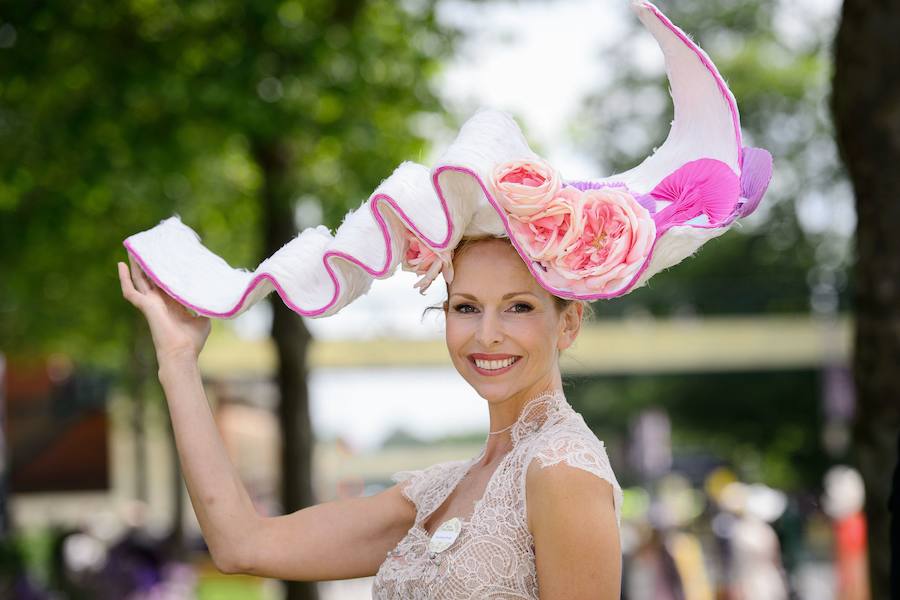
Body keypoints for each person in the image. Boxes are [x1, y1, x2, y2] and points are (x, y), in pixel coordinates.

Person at [118, 3, 772, 597]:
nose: (487, 333)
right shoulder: (438, 489)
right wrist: (178, 359)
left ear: (568, 321)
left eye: (518, 306)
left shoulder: (562, 471)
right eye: (465, 307)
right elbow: (242, 545)